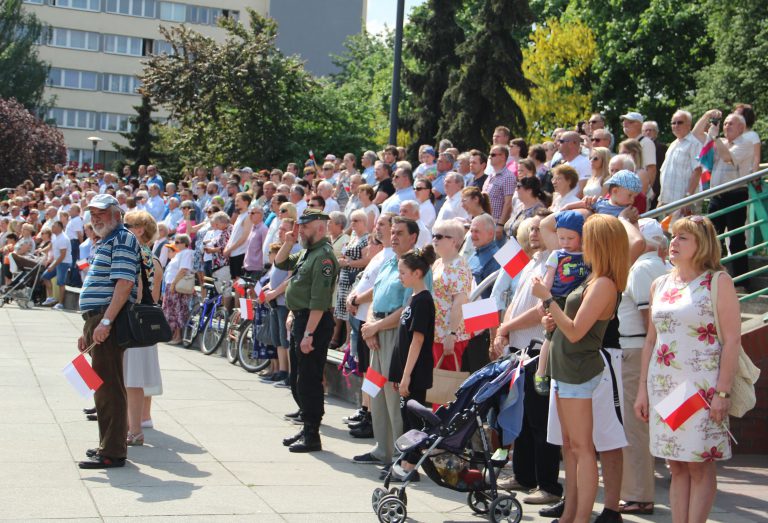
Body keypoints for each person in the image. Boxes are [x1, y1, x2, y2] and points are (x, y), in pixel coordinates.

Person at [634, 215, 740, 523]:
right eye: (673, 237)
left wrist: (723, 391)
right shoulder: (660, 283)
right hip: (664, 386)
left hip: (700, 388)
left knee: (698, 463)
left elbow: (732, 339)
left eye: (683, 238)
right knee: (675, 464)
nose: (673, 243)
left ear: (702, 245)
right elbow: (651, 340)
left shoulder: (718, 281)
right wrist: (642, 389)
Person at [532, 214, 629, 523]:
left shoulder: (603, 283)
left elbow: (575, 331)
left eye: (588, 237)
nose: (582, 243)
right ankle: (570, 515)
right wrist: (551, 317)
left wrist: (548, 299)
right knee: (571, 448)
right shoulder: (593, 278)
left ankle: (580, 517)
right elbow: (568, 326)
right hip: (566, 369)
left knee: (583, 448)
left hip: (579, 370)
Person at [355, 217, 432, 467]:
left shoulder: (416, 268)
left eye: (400, 232)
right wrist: (369, 326)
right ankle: (381, 448)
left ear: (413, 237)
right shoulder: (390, 262)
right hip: (376, 334)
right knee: (375, 393)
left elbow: (407, 308)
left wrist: (376, 327)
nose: (394, 236)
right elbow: (376, 296)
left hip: (392, 335)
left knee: (392, 396)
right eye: (393, 232)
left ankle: (401, 456)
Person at [77, 194, 140, 469]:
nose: (96, 217)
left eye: (101, 212)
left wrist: (105, 322)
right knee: (101, 385)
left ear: (116, 214)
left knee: (108, 386)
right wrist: (89, 327)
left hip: (107, 319)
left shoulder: (123, 238)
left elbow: (124, 284)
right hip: (99, 318)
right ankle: (108, 445)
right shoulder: (107, 240)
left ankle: (113, 451)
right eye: (92, 213)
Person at [274, 210, 339, 453]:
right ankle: (306, 427)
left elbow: (319, 300)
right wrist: (289, 242)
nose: (300, 230)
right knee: (298, 379)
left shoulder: (323, 257)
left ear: (320, 228)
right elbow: (280, 263)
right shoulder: (307, 252)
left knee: (309, 380)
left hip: (315, 323)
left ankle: (312, 434)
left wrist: (309, 334)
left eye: (305, 226)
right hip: (302, 320)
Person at [617, 218, 670, 516]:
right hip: (639, 350)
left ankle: (638, 494)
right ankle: (636, 490)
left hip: (636, 350)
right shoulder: (655, 266)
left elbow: (648, 320)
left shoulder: (640, 268)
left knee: (634, 426)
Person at [388, 245, 438, 482]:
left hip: (415, 373)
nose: (400, 277)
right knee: (406, 417)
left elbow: (418, 340)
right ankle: (407, 460)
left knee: (413, 420)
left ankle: (410, 464)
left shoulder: (424, 301)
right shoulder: (413, 298)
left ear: (417, 273)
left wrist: (407, 376)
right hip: (405, 371)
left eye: (403, 273)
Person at [693, 110, 754, 280]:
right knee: (711, 238)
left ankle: (742, 280)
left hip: (736, 194)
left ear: (741, 127)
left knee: (736, 239)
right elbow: (696, 134)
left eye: (731, 123)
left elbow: (728, 157)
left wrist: (715, 138)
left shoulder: (746, 143)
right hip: (717, 195)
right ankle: (711, 276)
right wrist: (706, 116)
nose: (726, 126)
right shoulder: (719, 141)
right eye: (725, 123)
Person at [533, 211, 589, 395]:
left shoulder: (588, 256)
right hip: (557, 299)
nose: (565, 242)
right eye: (561, 238)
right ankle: (541, 372)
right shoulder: (556, 255)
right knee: (550, 336)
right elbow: (548, 279)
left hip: (579, 301)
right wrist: (544, 298)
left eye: (570, 238)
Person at [122, 210, 164, 446]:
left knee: (132, 378)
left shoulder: (140, 258)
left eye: (127, 225)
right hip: (144, 324)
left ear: (140, 230)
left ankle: (134, 428)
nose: (123, 228)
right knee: (133, 378)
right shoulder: (152, 258)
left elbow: (136, 293)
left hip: (134, 324)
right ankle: (134, 424)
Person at [431, 219, 473, 372]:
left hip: (449, 335)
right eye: (433, 235)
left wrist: (451, 334)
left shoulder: (459, 267)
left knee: (445, 385)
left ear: (454, 241)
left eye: (439, 236)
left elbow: (460, 303)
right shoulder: (439, 263)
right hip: (436, 333)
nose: (434, 239)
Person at [334, 210, 371, 351]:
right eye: (352, 220)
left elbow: (365, 261)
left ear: (364, 222)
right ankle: (347, 342)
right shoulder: (353, 237)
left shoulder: (366, 239)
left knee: (351, 311)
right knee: (344, 311)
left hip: (354, 278)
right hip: (344, 277)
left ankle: (349, 344)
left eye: (356, 220)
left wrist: (348, 264)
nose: (353, 224)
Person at [658, 110, 703, 209]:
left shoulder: (694, 143)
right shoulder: (673, 144)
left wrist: (688, 198)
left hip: (683, 202)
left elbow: (697, 170)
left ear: (689, 125)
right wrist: (661, 199)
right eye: (673, 123)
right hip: (666, 201)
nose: (676, 125)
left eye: (680, 122)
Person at [162, 234, 194, 344]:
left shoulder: (187, 253)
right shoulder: (180, 254)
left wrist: (173, 284)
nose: (175, 244)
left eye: (177, 242)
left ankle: (178, 336)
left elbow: (183, 269)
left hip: (176, 285)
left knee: (178, 310)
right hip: (172, 284)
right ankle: (173, 335)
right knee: (171, 310)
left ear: (185, 243)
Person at [42, 221, 71, 309]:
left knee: (61, 283)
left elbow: (63, 255)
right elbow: (51, 245)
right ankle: (51, 298)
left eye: (54, 226)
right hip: (57, 262)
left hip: (63, 263)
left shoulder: (63, 238)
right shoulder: (55, 236)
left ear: (59, 227)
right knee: (45, 276)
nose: (52, 228)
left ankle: (60, 303)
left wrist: (53, 265)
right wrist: (41, 250)